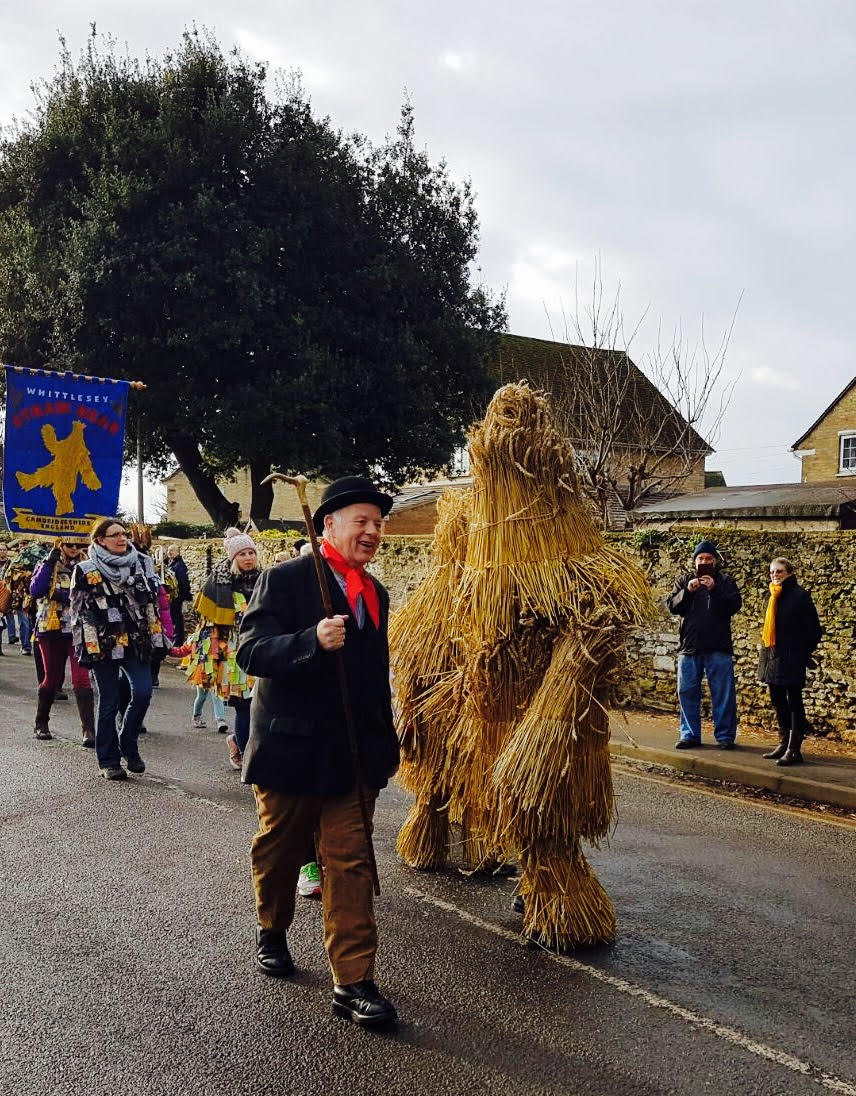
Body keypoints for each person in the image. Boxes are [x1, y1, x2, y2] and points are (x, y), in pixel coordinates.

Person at [236, 476, 400, 1028]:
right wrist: (311, 640)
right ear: (328, 524)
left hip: (352, 760)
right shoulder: (284, 581)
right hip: (291, 751)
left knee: (350, 863)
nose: (373, 531)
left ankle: (353, 981)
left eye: (378, 522)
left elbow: (375, 680)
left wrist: (387, 745)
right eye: (362, 520)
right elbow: (251, 652)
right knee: (280, 853)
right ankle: (272, 928)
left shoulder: (374, 592)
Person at [70, 518, 166, 780]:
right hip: (103, 644)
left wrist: (158, 638)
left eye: (123, 533)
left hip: (137, 641)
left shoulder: (142, 563)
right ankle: (109, 760)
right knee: (109, 702)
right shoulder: (86, 569)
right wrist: (87, 648)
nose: (122, 538)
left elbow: (151, 605)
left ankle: (128, 743)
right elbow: (78, 613)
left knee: (143, 692)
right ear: (100, 540)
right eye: (115, 535)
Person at [182, 528, 259, 769]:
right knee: (245, 707)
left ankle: (236, 741)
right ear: (232, 557)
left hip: (261, 651)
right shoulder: (217, 584)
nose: (248, 557)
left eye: (251, 552)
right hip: (233, 657)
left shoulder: (266, 580)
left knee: (263, 707)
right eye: (242, 553)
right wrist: (211, 663)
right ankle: (249, 759)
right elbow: (206, 628)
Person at [666, 539, 742, 750]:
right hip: (689, 647)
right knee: (687, 692)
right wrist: (687, 592)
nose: (704, 561)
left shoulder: (725, 582)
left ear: (715, 561)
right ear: (694, 561)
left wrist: (714, 589)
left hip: (718, 647)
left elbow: (734, 605)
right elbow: (672, 606)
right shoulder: (684, 580)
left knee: (723, 694)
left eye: (708, 558)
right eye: (701, 558)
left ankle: (725, 736)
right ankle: (689, 735)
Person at [28, 537, 95, 745]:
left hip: (78, 629)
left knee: (82, 679)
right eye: (69, 545)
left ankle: (88, 730)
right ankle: (41, 723)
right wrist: (49, 563)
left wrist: (65, 596)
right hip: (51, 628)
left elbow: (93, 594)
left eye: (78, 545)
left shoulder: (89, 566)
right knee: (52, 678)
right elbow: (36, 590)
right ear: (60, 545)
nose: (74, 549)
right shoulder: (46, 564)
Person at [757, 557, 822, 766]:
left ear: (789, 573)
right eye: (772, 572)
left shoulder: (800, 596)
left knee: (794, 703)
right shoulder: (771, 596)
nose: (775, 575)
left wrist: (801, 652)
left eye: (779, 572)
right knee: (777, 701)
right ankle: (783, 743)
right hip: (772, 657)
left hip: (792, 658)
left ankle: (794, 749)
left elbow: (814, 630)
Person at [166, 544, 192, 646]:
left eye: (171, 550)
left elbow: (183, 583)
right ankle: (174, 639)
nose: (169, 552)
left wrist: (183, 596)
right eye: (168, 550)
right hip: (174, 597)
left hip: (178, 596)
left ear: (178, 552)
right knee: (174, 617)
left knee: (177, 618)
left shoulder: (179, 566)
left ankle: (178, 640)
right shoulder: (173, 564)